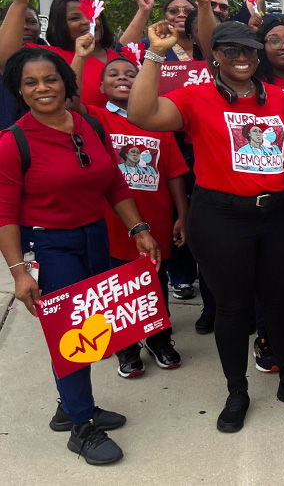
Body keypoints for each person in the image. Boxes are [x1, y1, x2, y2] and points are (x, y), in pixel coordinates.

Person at [127, 19, 284, 433]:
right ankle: (237, 391)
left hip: (277, 214)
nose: (241, 58)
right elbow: (142, 113)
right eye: (230, 50)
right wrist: (155, 54)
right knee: (232, 308)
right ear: (214, 55)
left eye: (249, 50)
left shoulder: (281, 99)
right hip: (221, 216)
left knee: (279, 303)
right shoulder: (196, 97)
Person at [0, 46, 161, 465]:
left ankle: (71, 407)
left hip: (95, 237)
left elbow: (112, 184)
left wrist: (138, 228)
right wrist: (19, 272)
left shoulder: (88, 123)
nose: (42, 88)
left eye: (50, 79)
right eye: (30, 83)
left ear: (65, 82)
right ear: (19, 90)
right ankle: (80, 429)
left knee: (95, 325)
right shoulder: (13, 142)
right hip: (51, 245)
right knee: (72, 333)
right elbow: (4, 214)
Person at [67, 49, 189, 378]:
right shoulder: (94, 117)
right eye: (114, 74)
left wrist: (182, 214)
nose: (123, 77)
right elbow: (69, 99)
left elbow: (175, 172)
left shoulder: (158, 122)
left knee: (155, 284)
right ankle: (127, 345)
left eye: (131, 73)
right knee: (117, 288)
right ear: (101, 88)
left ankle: (159, 338)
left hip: (156, 219)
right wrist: (79, 56)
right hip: (112, 223)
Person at [0, 0, 122, 109]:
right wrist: (19, 2)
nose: (88, 21)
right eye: (75, 18)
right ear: (60, 25)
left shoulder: (118, 58)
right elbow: (7, 59)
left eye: (93, 14)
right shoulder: (47, 57)